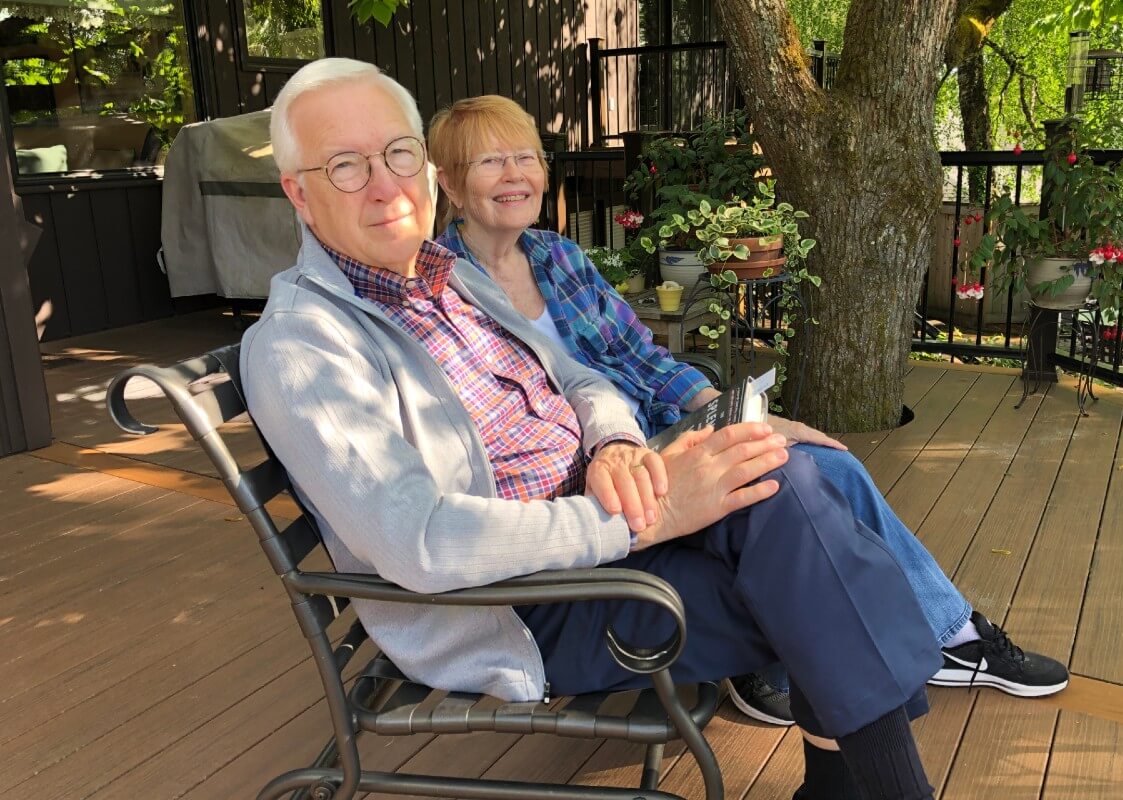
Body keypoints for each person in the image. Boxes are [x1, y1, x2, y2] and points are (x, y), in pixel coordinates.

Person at [243, 57, 943, 800]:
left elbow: (581, 380)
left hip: (605, 529)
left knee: (781, 475)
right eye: (345, 166)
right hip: (517, 605)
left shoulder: (452, 276)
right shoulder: (304, 345)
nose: (385, 185)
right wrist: (644, 519)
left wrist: (616, 444)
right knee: (822, 571)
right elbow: (423, 542)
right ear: (299, 192)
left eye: (397, 153)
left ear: (423, 164)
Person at [426, 94, 1070, 729]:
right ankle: (870, 651)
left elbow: (639, 354)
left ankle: (936, 634)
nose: (515, 175)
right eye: (490, 162)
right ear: (451, 184)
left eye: (526, 157)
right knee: (792, 480)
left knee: (823, 460)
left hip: (655, 430)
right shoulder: (443, 289)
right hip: (598, 478)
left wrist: (729, 410)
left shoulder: (557, 256)